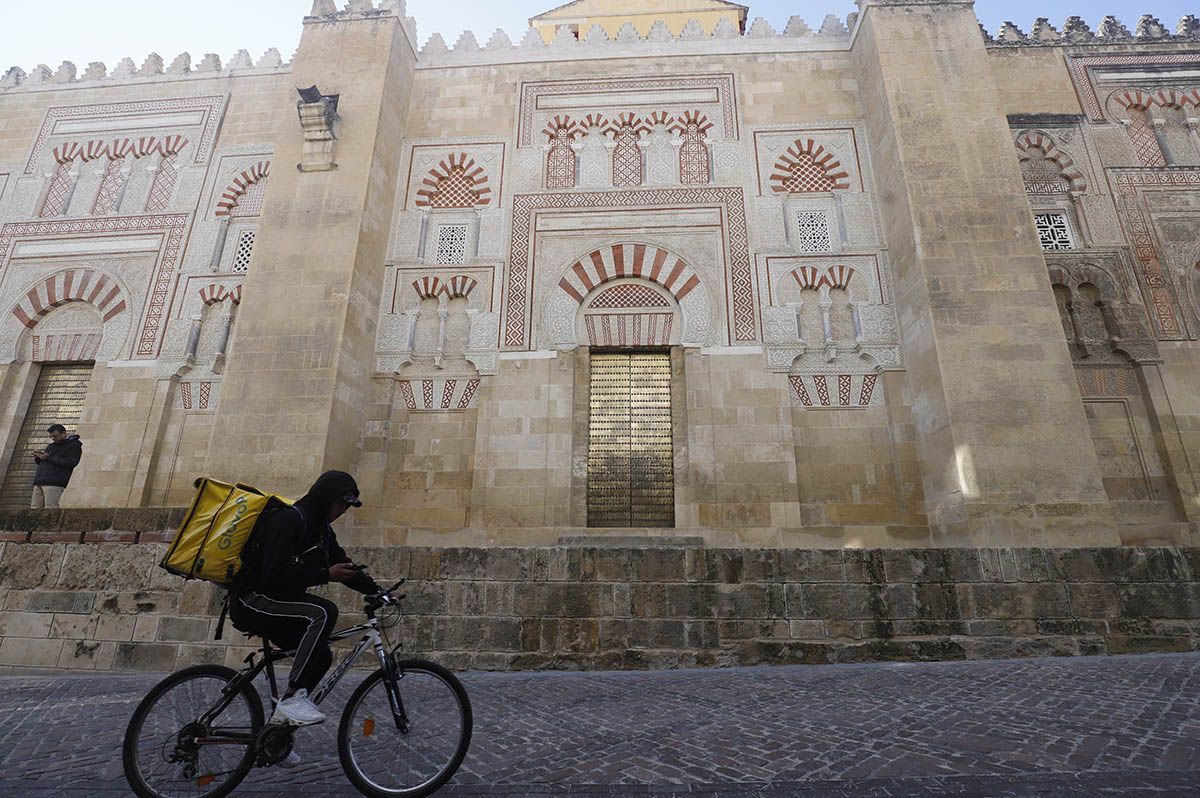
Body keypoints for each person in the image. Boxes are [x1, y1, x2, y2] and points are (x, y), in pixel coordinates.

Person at [230, 470, 380, 734]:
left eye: (347, 506)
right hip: (253, 599)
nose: (343, 510)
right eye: (341, 503)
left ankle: (277, 732)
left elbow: (342, 566)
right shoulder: (291, 520)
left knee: (321, 656)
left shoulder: (322, 531)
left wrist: (378, 591)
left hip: (278, 601)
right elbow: (271, 574)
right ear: (325, 498)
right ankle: (294, 696)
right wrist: (324, 575)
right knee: (322, 612)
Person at [31, 424, 82, 509]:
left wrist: (49, 457)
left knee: (51, 508)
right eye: (51, 436)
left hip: (55, 482)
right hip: (40, 481)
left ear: (64, 433)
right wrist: (39, 457)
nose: (53, 438)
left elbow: (70, 463)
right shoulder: (51, 446)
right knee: (35, 508)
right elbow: (44, 462)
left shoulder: (73, 446)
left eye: (55, 436)